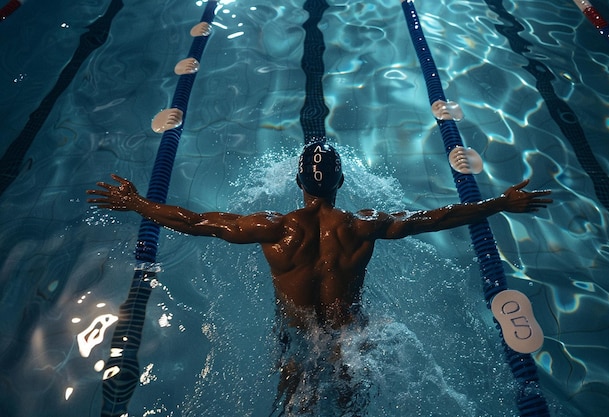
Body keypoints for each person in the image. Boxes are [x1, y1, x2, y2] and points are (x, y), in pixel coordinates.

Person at [86, 141, 552, 413]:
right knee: (353, 402)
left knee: (295, 399)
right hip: (349, 333)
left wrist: (137, 202)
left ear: (297, 184)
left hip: (296, 333)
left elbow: (195, 221)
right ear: (341, 182)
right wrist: (499, 203)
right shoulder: (362, 225)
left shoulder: (273, 228)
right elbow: (435, 217)